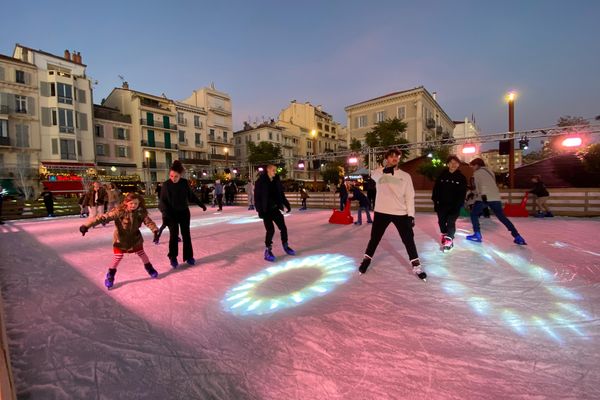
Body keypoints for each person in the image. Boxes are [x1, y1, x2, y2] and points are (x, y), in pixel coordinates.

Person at [358, 149, 426, 280]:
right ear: (387, 158)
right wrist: (385, 172)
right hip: (382, 211)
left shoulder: (406, 176)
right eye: (391, 156)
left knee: (408, 240)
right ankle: (366, 261)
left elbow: (410, 196)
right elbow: (372, 175)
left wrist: (411, 215)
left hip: (401, 212)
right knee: (375, 239)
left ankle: (416, 266)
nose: (395, 158)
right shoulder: (378, 173)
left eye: (397, 156)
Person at [78, 192, 160, 289]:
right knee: (118, 257)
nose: (133, 205)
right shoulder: (119, 211)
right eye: (131, 203)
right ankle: (110, 275)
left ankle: (149, 268)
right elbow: (103, 217)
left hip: (135, 238)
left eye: (136, 204)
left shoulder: (140, 212)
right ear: (126, 203)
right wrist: (86, 225)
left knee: (142, 253)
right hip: (121, 240)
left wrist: (155, 230)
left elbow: (148, 221)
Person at [466, 158, 527, 245]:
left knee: (474, 214)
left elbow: (479, 187)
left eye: (473, 166)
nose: (472, 168)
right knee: (502, 217)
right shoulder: (490, 172)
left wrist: (475, 195)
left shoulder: (477, 173)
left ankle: (477, 234)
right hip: (495, 197)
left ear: (477, 165)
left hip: (484, 197)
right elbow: (492, 184)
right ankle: (518, 236)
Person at [159, 160, 207, 268]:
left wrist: (201, 204)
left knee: (186, 235)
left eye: (176, 176)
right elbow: (162, 202)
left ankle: (189, 256)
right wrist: (165, 215)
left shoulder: (184, 183)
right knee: (173, 236)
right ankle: (173, 257)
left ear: (180, 175)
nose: (173, 178)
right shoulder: (166, 185)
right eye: (171, 176)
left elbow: (191, 196)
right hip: (171, 214)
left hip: (184, 213)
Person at [254, 164, 295, 262]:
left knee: (283, 228)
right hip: (266, 210)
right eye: (273, 170)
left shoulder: (276, 181)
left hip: (275, 209)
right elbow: (257, 198)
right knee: (270, 230)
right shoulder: (260, 182)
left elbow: (281, 194)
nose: (275, 172)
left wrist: (287, 204)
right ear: (268, 170)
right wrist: (259, 210)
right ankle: (268, 250)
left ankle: (285, 246)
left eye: (275, 170)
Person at [431, 155, 468, 251]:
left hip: (454, 205)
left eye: (456, 163)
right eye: (451, 163)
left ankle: (449, 240)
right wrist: (435, 202)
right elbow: (436, 190)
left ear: (458, 164)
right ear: (448, 164)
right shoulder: (442, 175)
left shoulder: (461, 178)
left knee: (451, 222)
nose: (453, 165)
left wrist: (458, 205)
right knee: (441, 222)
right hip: (442, 205)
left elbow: (462, 193)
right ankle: (445, 235)